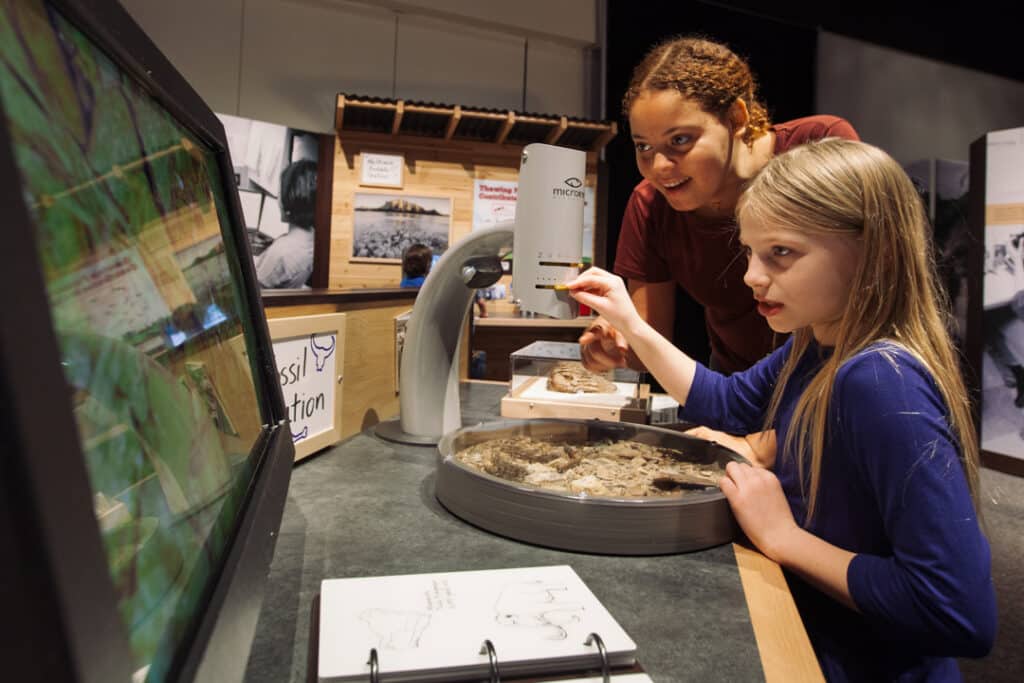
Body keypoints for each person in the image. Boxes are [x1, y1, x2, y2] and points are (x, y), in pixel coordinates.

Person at [567, 138, 996, 681]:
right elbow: (726, 403)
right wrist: (630, 322)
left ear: (872, 252)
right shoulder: (815, 343)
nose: (751, 275)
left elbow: (959, 612)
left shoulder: (880, 382)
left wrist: (785, 538)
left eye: (781, 253)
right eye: (750, 251)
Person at [581, 35, 860, 375]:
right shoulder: (650, 205)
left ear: (736, 117)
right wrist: (616, 338)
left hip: (835, 377)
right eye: (643, 147)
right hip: (737, 386)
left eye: (679, 140)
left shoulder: (818, 145)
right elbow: (645, 346)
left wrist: (784, 426)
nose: (659, 168)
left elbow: (866, 298)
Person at [255, 159, 317, 289]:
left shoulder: (281, 253)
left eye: (280, 192)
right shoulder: (312, 240)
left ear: (288, 197)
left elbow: (251, 292)